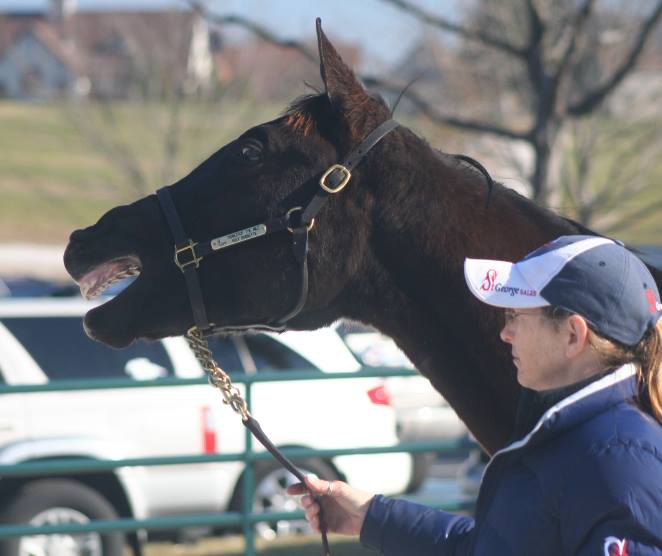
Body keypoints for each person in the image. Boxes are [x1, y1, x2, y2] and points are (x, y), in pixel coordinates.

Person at [288, 235, 662, 555]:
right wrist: (370, 516)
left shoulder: (617, 460)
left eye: (516, 315)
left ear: (572, 335)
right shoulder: (585, 440)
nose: (505, 333)